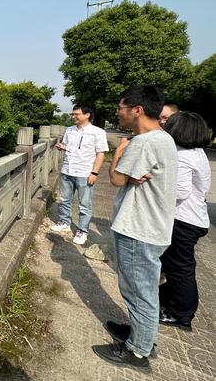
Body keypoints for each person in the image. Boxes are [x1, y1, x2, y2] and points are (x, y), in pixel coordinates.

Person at [92, 85, 177, 373]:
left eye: (121, 108)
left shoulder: (141, 143)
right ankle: (141, 335)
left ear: (137, 110)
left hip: (139, 228)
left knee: (138, 291)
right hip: (154, 226)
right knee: (144, 288)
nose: (119, 113)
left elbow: (116, 179)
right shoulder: (164, 138)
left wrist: (121, 151)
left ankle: (138, 352)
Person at [158, 111, 212, 329]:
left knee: (180, 268)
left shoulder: (182, 156)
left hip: (183, 220)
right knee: (178, 266)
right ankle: (173, 303)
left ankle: (181, 313)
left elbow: (179, 191)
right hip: (193, 218)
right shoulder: (197, 152)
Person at [51, 105, 109, 245]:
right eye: (72, 114)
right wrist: (62, 147)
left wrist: (94, 172)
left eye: (76, 114)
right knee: (64, 199)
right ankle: (64, 222)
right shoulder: (69, 130)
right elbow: (68, 146)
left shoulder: (97, 132)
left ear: (87, 114)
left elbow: (101, 154)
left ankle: (82, 230)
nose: (73, 117)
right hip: (67, 170)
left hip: (85, 172)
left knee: (85, 204)